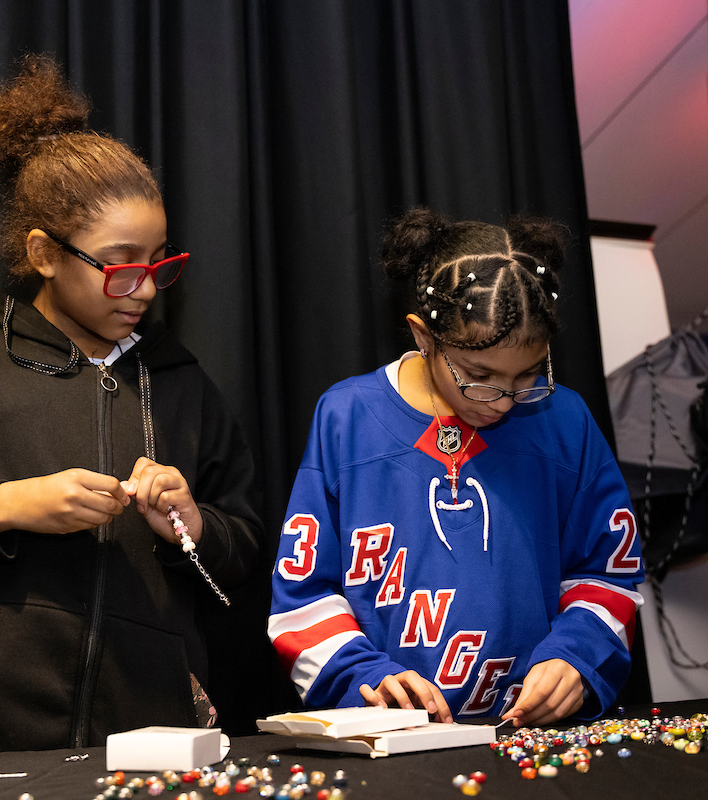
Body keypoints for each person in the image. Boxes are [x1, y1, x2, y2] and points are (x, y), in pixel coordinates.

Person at [0, 55, 262, 753]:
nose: (146, 291)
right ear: (44, 252)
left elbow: (241, 548)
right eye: (121, 266)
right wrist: (7, 506)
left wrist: (191, 524)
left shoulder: (180, 380)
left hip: (153, 738)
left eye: (159, 264)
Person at [268, 208, 644, 726]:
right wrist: (363, 677)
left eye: (528, 375)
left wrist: (576, 659)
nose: (505, 401)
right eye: (479, 376)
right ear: (424, 337)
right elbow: (303, 595)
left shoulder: (564, 421)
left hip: (534, 740)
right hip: (389, 744)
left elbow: (609, 574)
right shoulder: (347, 417)